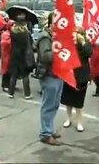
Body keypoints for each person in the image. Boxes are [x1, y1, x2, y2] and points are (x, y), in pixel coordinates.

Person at [37, 12, 64, 145]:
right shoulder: (45, 38)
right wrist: (60, 49)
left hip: (58, 75)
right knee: (48, 105)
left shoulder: (56, 37)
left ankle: (49, 128)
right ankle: (45, 133)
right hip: (49, 75)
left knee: (54, 104)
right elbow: (45, 56)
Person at [61, 27, 92, 132]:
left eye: (78, 33)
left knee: (79, 101)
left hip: (81, 75)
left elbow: (89, 53)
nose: (76, 35)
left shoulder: (86, 42)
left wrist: (83, 42)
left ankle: (79, 122)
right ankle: (68, 118)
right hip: (70, 73)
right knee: (68, 99)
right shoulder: (70, 43)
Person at [8, 16, 35, 99]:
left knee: (14, 75)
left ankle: (11, 92)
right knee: (25, 75)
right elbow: (30, 44)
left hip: (14, 55)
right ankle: (27, 94)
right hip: (24, 55)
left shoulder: (12, 32)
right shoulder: (26, 33)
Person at [0, 20, 14, 93]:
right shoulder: (6, 34)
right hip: (6, 54)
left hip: (11, 54)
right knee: (6, 70)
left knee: (10, 70)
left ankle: (9, 84)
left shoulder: (12, 34)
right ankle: (5, 85)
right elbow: (5, 43)